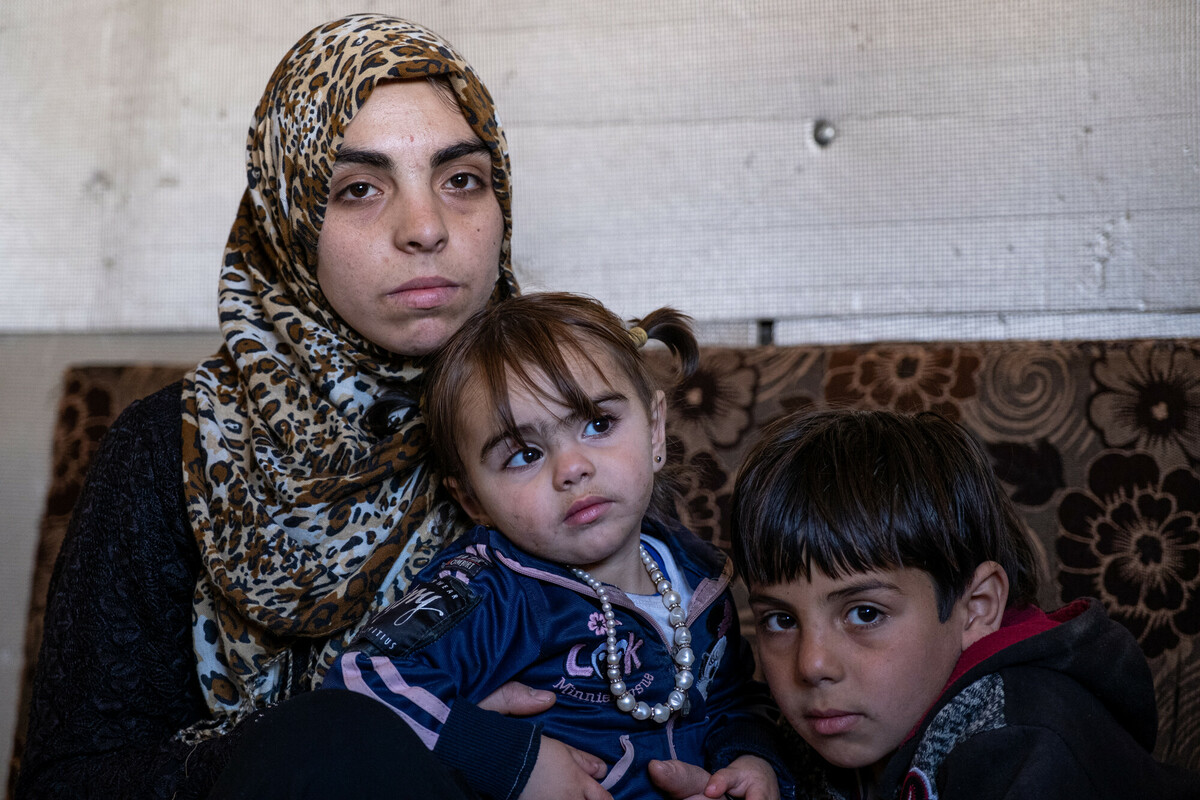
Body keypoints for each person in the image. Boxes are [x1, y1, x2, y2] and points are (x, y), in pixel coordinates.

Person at [16, 15, 537, 799]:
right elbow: (70, 784)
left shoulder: (569, 421)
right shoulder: (175, 449)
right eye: (359, 189)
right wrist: (390, 744)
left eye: (462, 180)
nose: (427, 228)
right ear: (287, 218)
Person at [323, 292, 791, 800]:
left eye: (598, 424)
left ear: (656, 429)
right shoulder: (492, 589)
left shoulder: (700, 574)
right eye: (524, 454)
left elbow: (733, 699)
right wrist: (515, 762)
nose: (572, 469)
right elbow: (362, 682)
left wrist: (752, 759)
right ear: (472, 499)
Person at [727, 408, 1200, 799]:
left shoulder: (1024, 742)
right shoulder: (845, 720)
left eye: (865, 613)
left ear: (975, 607)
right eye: (781, 619)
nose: (811, 664)